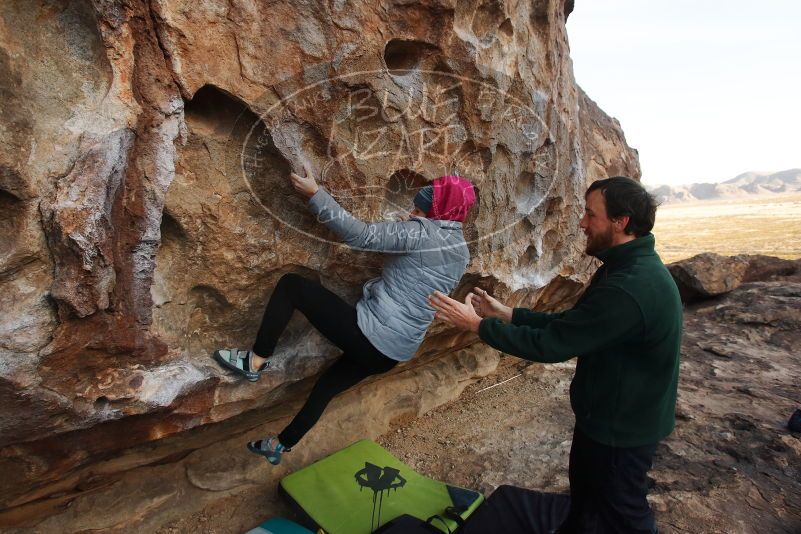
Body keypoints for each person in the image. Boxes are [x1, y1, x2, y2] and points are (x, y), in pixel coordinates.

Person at [430, 176, 681, 534]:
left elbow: (552, 345)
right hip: (612, 418)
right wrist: (509, 314)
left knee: (623, 514)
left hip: (619, 430)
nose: (581, 222)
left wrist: (476, 326)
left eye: (590, 214)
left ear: (621, 222)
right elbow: (575, 323)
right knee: (588, 506)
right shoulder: (626, 268)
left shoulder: (630, 286)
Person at [213, 163, 476, 465]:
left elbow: (360, 235)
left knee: (292, 286)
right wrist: (411, 229)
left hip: (372, 336)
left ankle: (255, 360)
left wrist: (316, 194)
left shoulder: (418, 233)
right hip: (394, 354)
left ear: (432, 212)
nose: (412, 213)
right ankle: (279, 445)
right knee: (326, 388)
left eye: (417, 209)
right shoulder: (461, 251)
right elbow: (421, 271)